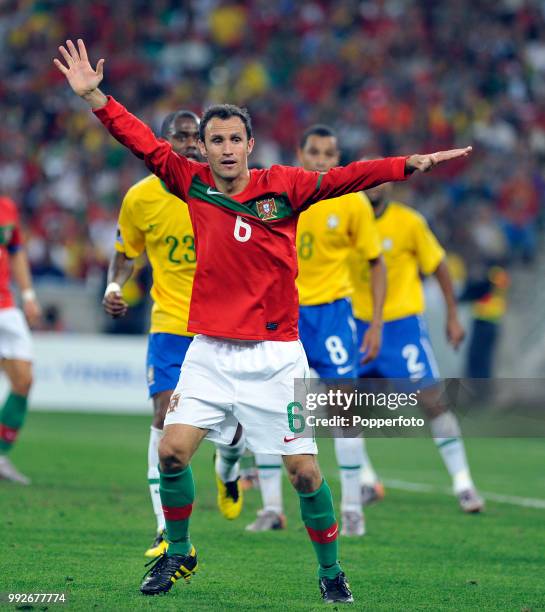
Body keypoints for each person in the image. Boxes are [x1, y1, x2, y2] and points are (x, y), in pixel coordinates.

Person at [54, 38, 472, 604]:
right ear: (203, 148)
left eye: (234, 139)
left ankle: (331, 571)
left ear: (250, 143)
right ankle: (179, 554)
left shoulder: (285, 186)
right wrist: (96, 97)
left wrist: (407, 164)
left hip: (276, 359)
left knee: (304, 472)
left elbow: (348, 176)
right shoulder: (190, 182)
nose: (226, 150)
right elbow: (142, 144)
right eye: (215, 140)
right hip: (208, 351)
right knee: (171, 451)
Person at [103, 109, 246, 558]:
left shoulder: (216, 189)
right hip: (169, 324)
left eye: (193, 137)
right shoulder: (140, 199)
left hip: (222, 324)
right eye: (179, 136)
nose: (188, 144)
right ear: (161, 144)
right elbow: (126, 251)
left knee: (232, 426)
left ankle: (229, 466)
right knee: (164, 418)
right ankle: (164, 529)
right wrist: (114, 284)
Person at [246, 125, 386, 537]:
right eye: (315, 152)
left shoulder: (353, 203)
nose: (322, 159)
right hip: (282, 313)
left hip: (331, 316)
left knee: (345, 408)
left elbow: (376, 261)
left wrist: (374, 322)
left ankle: (353, 507)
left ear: (337, 156)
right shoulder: (279, 195)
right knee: (273, 410)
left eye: (330, 152)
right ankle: (272, 508)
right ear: (300, 154)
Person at [350, 183, 484, 514]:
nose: (374, 186)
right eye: (367, 178)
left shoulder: (409, 222)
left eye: (379, 178)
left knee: (432, 402)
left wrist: (453, 315)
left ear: (390, 183)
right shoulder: (345, 219)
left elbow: (438, 265)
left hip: (400, 327)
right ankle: (366, 480)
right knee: (344, 406)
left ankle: (464, 483)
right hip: (356, 325)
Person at [0, 195, 41, 484]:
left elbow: (15, 251)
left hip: (5, 304)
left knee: (23, 380)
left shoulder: (7, 207)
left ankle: (1, 455)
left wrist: (27, 295)